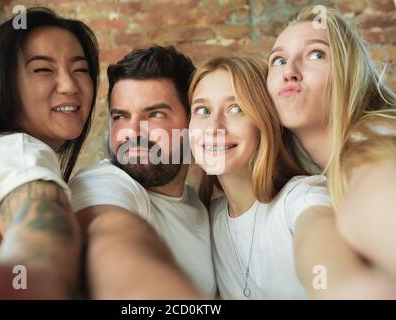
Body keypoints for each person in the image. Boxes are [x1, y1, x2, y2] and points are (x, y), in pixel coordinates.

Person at [188, 55, 396, 300]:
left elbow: (320, 247)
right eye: (203, 110)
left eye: (236, 109)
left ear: (266, 121)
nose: (213, 128)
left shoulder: (301, 198)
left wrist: (342, 285)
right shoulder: (208, 218)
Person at [0, 7, 99, 298]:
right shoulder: (19, 152)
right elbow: (40, 221)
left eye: (80, 69)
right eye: (43, 69)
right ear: (3, 83)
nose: (69, 85)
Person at [266, 6, 396, 297]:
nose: (289, 71)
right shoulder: (308, 180)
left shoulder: (374, 135)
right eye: (278, 60)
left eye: (316, 54)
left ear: (349, 71)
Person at [69, 46, 216, 299]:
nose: (133, 132)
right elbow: (110, 239)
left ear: (192, 122)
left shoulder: (200, 208)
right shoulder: (103, 184)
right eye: (121, 116)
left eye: (154, 114)